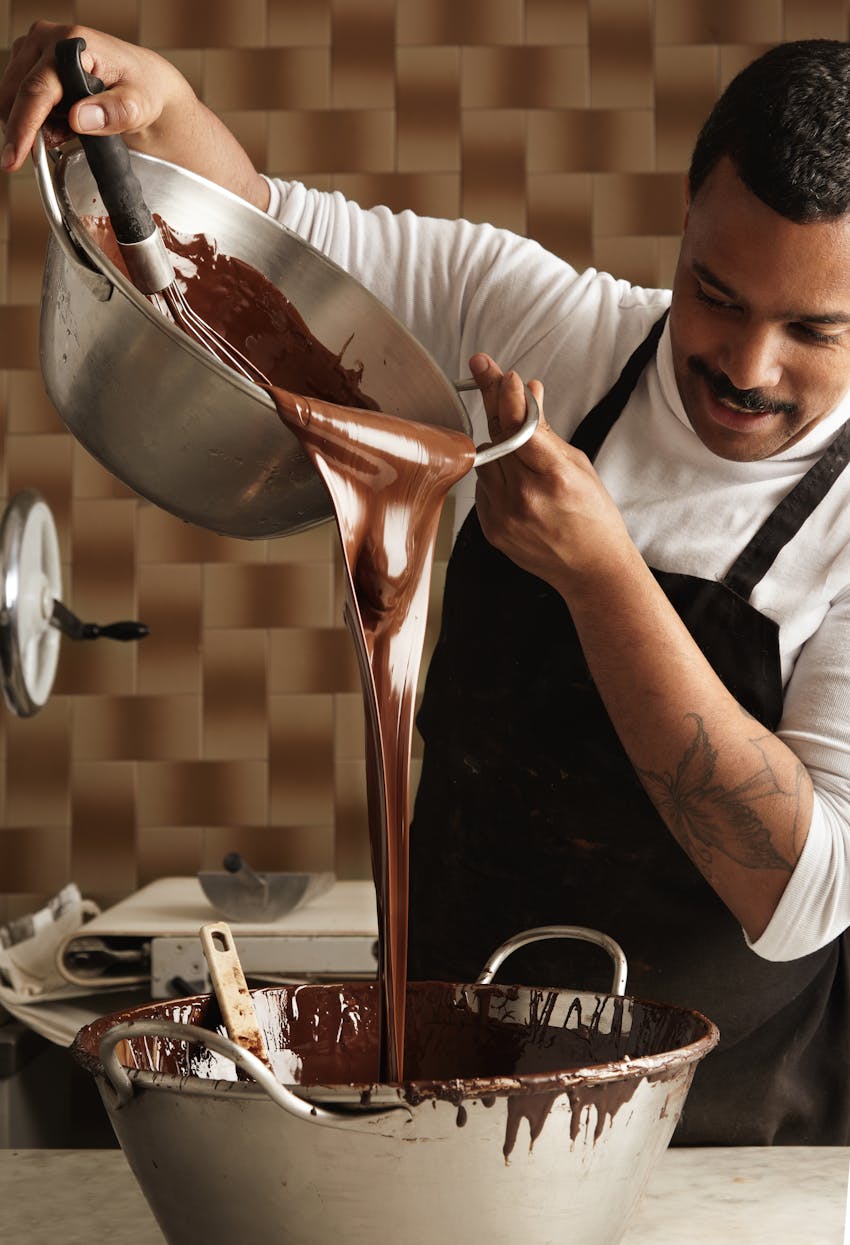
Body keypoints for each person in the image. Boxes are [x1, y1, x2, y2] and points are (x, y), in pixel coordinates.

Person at [4, 24, 850, 1145]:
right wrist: (160, 112)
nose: (748, 366)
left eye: (814, 331)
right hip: (447, 1089)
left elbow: (798, 897)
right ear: (685, 220)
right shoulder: (552, 329)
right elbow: (269, 235)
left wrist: (600, 577)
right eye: (717, 294)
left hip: (715, 1144)